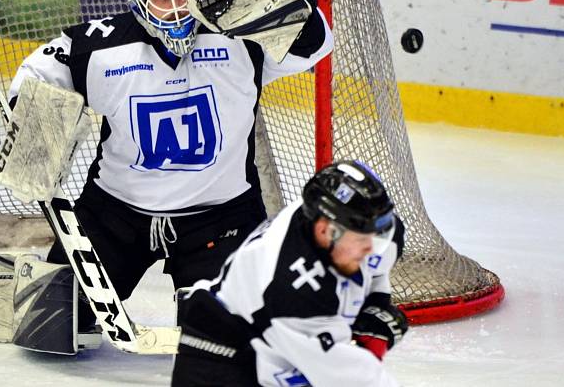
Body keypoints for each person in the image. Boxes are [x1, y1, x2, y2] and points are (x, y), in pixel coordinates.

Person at [6, 0, 333, 347]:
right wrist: (38, 129)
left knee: (225, 339)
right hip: (116, 218)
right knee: (50, 323)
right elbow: (40, 69)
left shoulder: (238, 37)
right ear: (141, 3)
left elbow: (315, 44)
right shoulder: (103, 47)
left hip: (221, 220)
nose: (176, 8)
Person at [171, 160, 408, 387]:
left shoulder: (364, 230)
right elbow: (356, 378)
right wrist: (370, 342)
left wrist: (375, 303)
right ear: (325, 230)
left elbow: (376, 266)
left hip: (273, 350)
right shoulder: (293, 291)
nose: (371, 250)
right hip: (217, 362)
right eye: (362, 241)